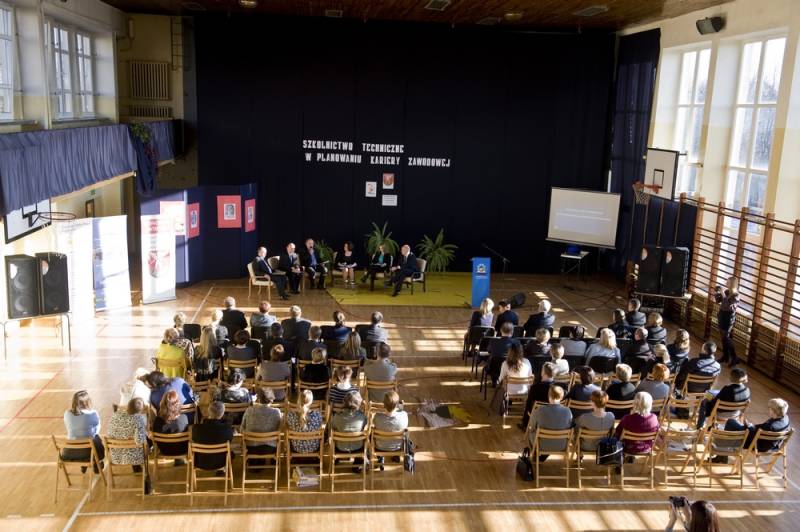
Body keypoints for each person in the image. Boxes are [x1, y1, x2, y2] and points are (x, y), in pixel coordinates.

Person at [107, 397, 150, 493]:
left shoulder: (114, 416)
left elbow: (109, 435)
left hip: (116, 457)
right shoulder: (138, 419)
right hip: (135, 458)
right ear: (140, 410)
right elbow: (140, 441)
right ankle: (146, 479)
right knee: (146, 445)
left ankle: (137, 469)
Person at [724, 397, 790, 452]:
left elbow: (752, 434)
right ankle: (727, 445)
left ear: (773, 411)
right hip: (772, 446)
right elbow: (761, 428)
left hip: (757, 445)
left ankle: (724, 449)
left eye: (770, 409)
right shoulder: (786, 419)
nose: (769, 410)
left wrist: (748, 426)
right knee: (736, 426)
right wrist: (752, 426)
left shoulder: (770, 426)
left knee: (731, 422)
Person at [528, 385, 572, 462]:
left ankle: (536, 454)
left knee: (530, 432)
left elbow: (532, 427)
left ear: (548, 396)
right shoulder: (568, 411)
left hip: (541, 445)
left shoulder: (539, 410)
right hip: (562, 445)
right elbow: (570, 427)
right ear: (562, 397)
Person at [62, 390, 105, 466]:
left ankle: (87, 464)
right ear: (88, 402)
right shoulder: (93, 413)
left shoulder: (67, 413)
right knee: (96, 438)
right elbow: (96, 431)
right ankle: (98, 461)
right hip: (86, 452)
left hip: (68, 452)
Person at [330, 391, 369, 472]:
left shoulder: (337, 416)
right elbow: (365, 427)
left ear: (344, 402)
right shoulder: (362, 417)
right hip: (357, 448)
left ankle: (336, 458)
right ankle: (358, 463)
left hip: (340, 448)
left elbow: (332, 428)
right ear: (358, 403)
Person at [191, 401, 235, 470]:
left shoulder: (196, 428)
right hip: (222, 462)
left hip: (200, 462)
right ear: (222, 413)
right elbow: (230, 440)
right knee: (231, 452)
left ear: (209, 411)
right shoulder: (226, 429)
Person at [520, 362, 564, 429]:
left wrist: (525, 422)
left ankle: (525, 425)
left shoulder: (535, 387)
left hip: (538, 415)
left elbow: (528, 406)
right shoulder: (560, 388)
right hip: (555, 417)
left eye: (542, 370)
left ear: (543, 373)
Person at [241, 388, 282, 458]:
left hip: (250, 447)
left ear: (258, 399)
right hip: (270, 448)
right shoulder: (276, 412)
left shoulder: (249, 410)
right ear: (272, 400)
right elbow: (279, 430)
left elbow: (241, 429)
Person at [372, 391, 409, 465]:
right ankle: (396, 456)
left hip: (380, 447)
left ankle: (380, 457)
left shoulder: (377, 417)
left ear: (383, 404)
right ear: (397, 405)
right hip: (398, 448)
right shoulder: (404, 415)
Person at [152, 390, 189, 460]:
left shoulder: (157, 421)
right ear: (178, 404)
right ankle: (178, 460)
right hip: (181, 450)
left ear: (163, 403)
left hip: (165, 451)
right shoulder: (184, 418)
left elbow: (155, 440)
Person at [286, 390, 324, 455]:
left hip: (296, 447)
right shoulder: (317, 415)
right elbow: (320, 427)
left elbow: (288, 427)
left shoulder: (291, 415)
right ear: (311, 402)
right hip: (313, 447)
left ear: (298, 401)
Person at [715, 278, 740, 366]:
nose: (726, 283)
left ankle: (734, 357)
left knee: (726, 337)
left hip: (729, 317)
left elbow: (728, 305)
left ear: (732, 284)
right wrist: (717, 293)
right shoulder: (726, 292)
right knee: (722, 337)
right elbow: (718, 301)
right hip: (722, 315)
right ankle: (725, 356)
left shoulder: (736, 295)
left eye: (728, 282)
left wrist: (722, 294)